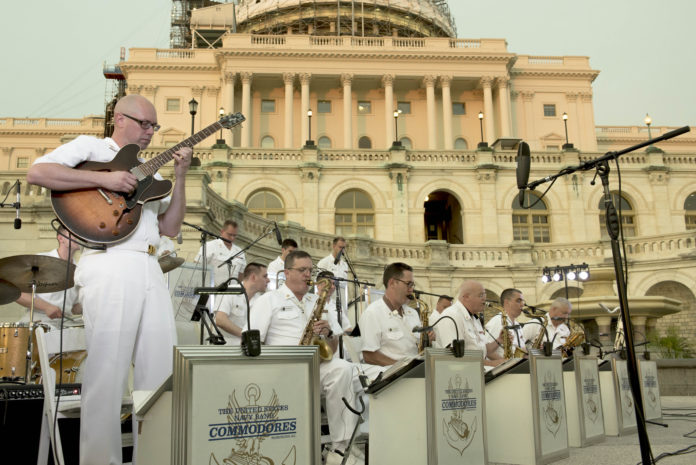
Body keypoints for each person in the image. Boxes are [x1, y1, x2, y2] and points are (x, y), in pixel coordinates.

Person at [26, 94, 193, 465]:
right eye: (143, 123)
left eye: (154, 126)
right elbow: (37, 172)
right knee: (108, 372)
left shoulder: (155, 171)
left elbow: (171, 226)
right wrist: (108, 178)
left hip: (150, 266)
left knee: (160, 373)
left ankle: (154, 457)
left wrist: (180, 177)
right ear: (119, 118)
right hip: (110, 261)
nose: (150, 132)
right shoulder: (93, 148)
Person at [247, 250, 360, 464]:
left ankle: (339, 449)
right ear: (287, 272)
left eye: (310, 270)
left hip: (315, 366)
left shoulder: (319, 300)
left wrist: (328, 333)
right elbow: (253, 341)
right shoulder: (269, 300)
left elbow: (332, 349)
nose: (308, 274)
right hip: (282, 369)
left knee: (343, 368)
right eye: (302, 270)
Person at [358, 263, 424, 367]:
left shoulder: (413, 313)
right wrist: (402, 368)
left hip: (415, 371)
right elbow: (369, 356)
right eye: (408, 284)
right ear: (392, 283)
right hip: (391, 376)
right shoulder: (373, 313)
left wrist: (428, 339)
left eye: (412, 285)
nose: (411, 289)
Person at [16, 226, 82, 328]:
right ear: (61, 238)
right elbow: (18, 294)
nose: (79, 237)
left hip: (66, 324)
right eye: (74, 233)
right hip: (38, 321)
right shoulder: (41, 261)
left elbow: (74, 308)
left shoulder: (79, 270)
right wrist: (46, 307)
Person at [433, 281, 505, 367]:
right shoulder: (452, 315)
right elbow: (456, 356)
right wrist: (492, 364)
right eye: (481, 295)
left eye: (484, 295)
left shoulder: (474, 317)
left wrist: (499, 340)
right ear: (466, 297)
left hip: (478, 371)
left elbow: (484, 349)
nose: (484, 299)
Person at [214, 262, 269, 345]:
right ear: (253, 277)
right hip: (223, 348)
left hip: (248, 350)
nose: (268, 280)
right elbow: (220, 320)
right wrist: (246, 335)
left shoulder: (261, 300)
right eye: (265, 276)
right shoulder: (229, 291)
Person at [194, 219, 246, 285]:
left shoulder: (239, 251)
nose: (232, 238)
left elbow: (241, 274)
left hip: (233, 292)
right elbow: (197, 266)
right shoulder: (210, 246)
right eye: (230, 235)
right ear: (222, 232)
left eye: (234, 235)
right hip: (212, 290)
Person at [485, 288, 527, 359]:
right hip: (503, 369)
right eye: (518, 301)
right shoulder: (497, 321)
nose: (522, 304)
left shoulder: (517, 325)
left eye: (522, 301)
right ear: (507, 302)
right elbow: (487, 351)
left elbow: (522, 349)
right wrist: (506, 364)